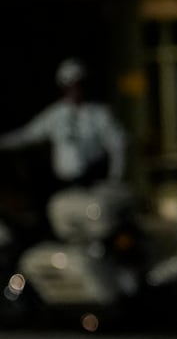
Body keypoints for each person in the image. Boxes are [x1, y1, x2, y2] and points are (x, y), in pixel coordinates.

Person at [0, 57, 129, 226]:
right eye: (69, 85)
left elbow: (118, 145)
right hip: (64, 184)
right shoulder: (56, 114)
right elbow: (28, 135)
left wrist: (115, 178)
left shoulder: (99, 114)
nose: (74, 89)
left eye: (78, 84)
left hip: (93, 184)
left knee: (96, 222)